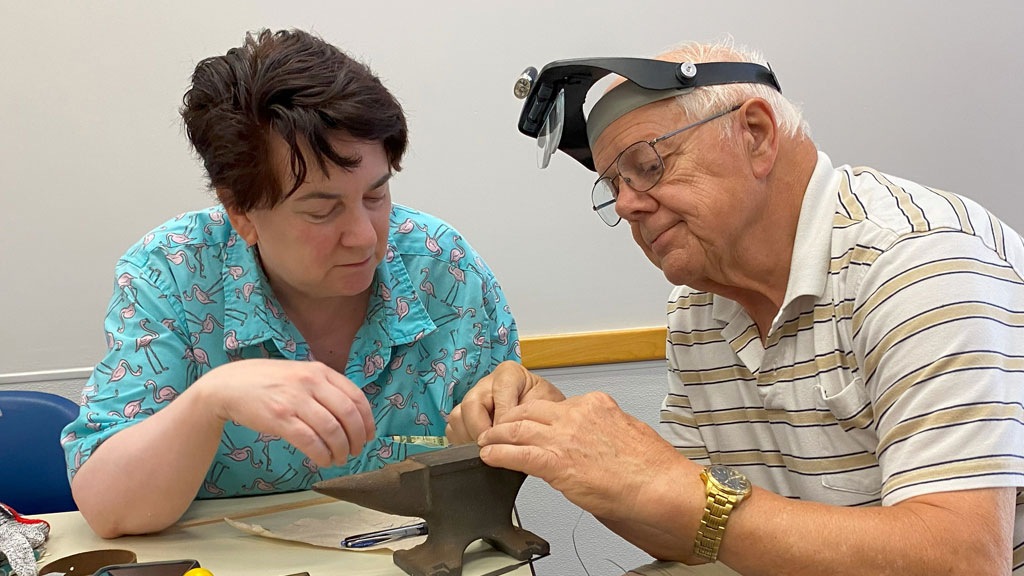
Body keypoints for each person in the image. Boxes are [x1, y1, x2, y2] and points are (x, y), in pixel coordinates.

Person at [448, 40, 1023, 574]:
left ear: (756, 133)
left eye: (647, 166)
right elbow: (694, 532)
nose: (625, 205)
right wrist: (568, 448)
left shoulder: (915, 263)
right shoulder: (699, 306)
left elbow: (965, 559)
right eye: (612, 184)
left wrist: (675, 488)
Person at [61, 29, 518, 538]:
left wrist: (513, 417)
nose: (364, 237)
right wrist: (210, 400)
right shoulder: (171, 273)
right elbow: (111, 510)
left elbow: (501, 455)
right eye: (322, 211)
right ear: (241, 213)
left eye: (376, 195)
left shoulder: (441, 266)